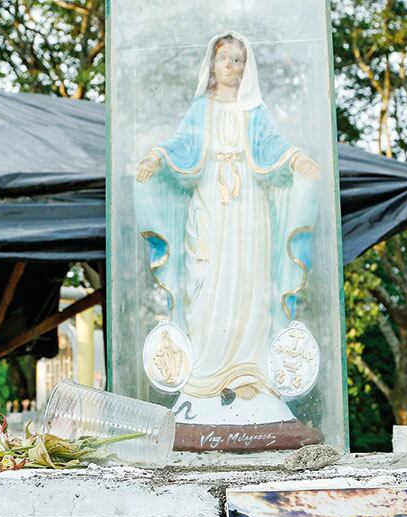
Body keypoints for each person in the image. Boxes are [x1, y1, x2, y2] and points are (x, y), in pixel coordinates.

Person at [134, 32, 320, 432]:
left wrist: (296, 158)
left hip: (250, 203)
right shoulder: (201, 107)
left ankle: (252, 372)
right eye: (225, 59)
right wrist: (156, 155)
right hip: (210, 199)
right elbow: (184, 142)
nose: (232, 67)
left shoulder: (254, 109)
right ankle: (204, 372)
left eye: (238, 60)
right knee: (206, 279)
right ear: (213, 64)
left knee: (251, 281)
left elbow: (271, 144)